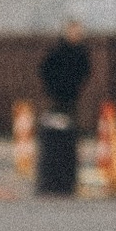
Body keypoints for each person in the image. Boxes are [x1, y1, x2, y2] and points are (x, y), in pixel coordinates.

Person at [36, 16, 90, 199]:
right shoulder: (58, 51)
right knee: (55, 133)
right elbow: (45, 69)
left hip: (72, 98)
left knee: (71, 134)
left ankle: (69, 173)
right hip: (58, 98)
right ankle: (56, 175)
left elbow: (85, 71)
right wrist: (53, 88)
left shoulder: (82, 52)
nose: (76, 35)